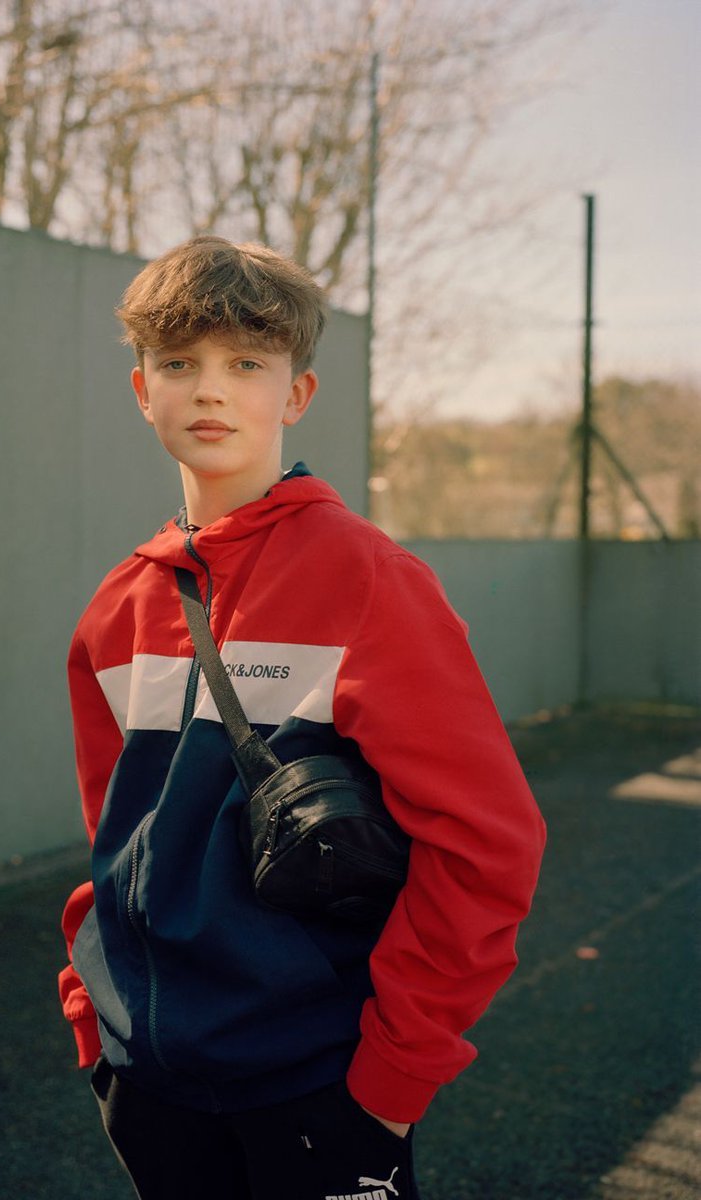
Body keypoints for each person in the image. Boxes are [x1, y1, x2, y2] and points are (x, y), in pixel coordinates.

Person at [58, 235, 546, 1200]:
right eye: (179, 363)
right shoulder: (118, 606)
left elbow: (487, 844)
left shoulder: (368, 580)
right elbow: (118, 836)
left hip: (317, 1084)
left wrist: (393, 1077)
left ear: (295, 396)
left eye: (245, 364)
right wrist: (90, 1013)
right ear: (141, 389)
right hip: (147, 1079)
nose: (208, 390)